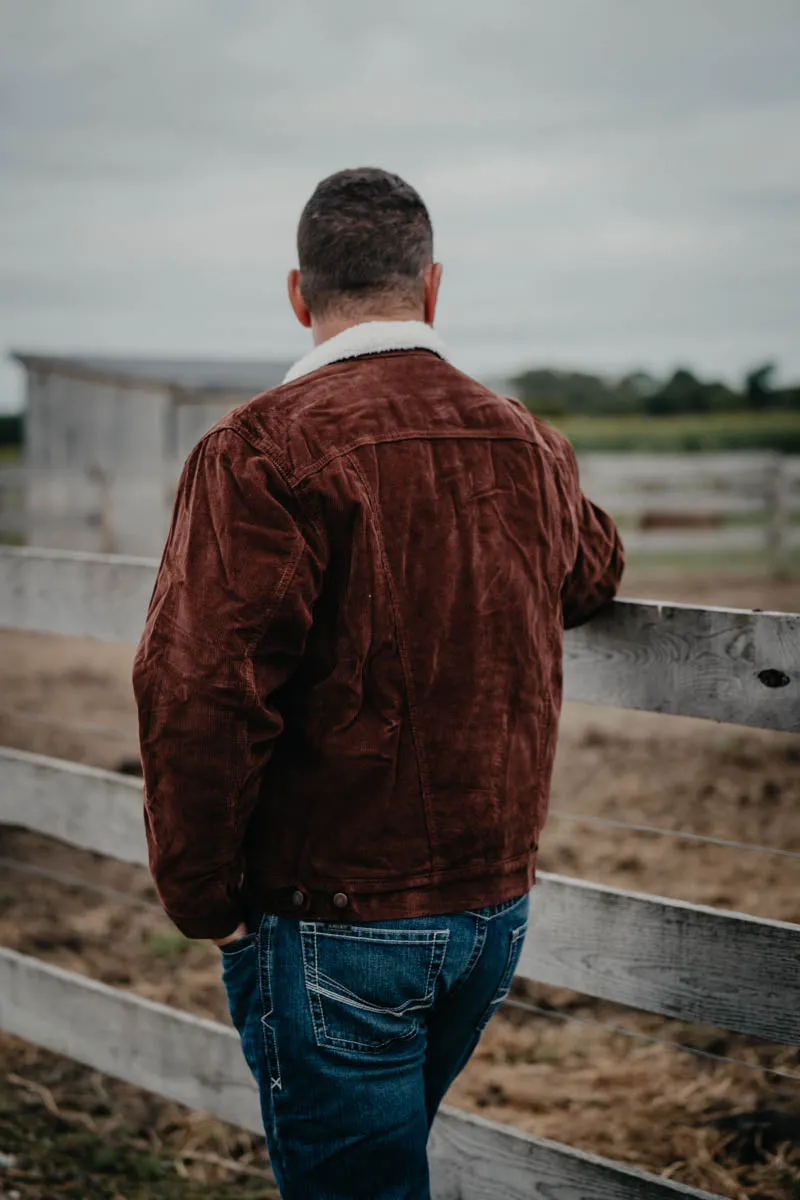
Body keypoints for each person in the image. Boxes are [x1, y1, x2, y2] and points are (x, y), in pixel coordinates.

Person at [132, 166, 624, 1200]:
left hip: (334, 911)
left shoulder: (259, 447)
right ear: (431, 288)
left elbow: (199, 690)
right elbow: (589, 575)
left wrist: (200, 897)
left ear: (299, 295)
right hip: (490, 906)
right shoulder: (525, 437)